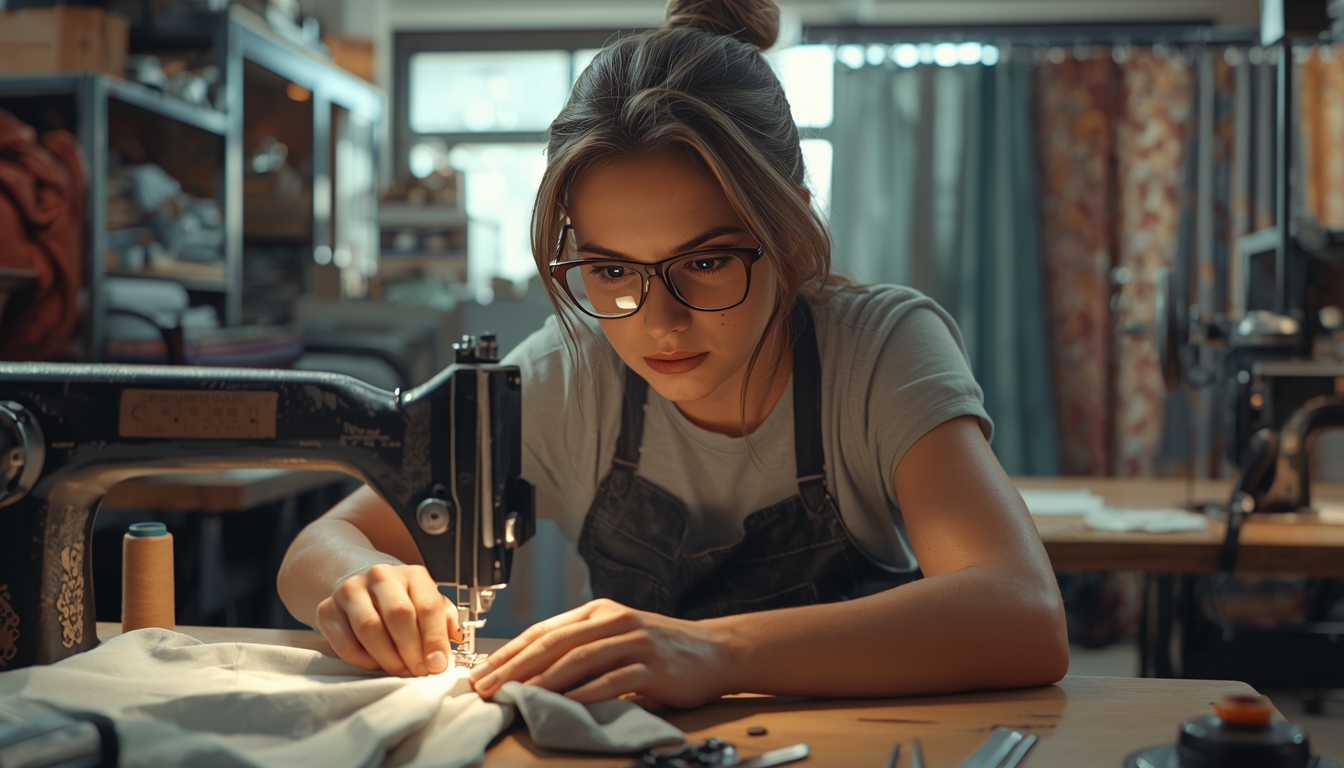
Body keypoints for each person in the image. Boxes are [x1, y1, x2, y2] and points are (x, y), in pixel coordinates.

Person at [278, 0, 1068, 708]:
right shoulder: (572, 372)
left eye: (707, 261)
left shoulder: (878, 352)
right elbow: (318, 547)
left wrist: (712, 652)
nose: (658, 322)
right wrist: (362, 584)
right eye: (612, 270)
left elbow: (1022, 613)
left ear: (790, 235)